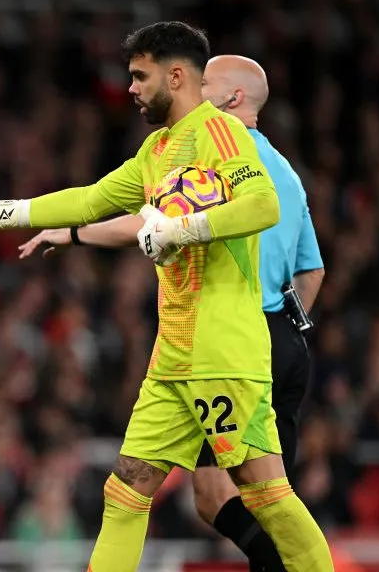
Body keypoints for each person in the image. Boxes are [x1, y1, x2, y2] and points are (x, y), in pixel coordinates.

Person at [0, 21, 334, 572]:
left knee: (263, 492)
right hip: (175, 354)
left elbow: (262, 206)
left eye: (139, 76)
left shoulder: (220, 133)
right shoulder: (159, 148)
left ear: (176, 75)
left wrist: (182, 230)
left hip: (224, 350)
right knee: (128, 487)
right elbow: (91, 201)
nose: (130, 88)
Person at [17, 54, 326, 571]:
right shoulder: (288, 175)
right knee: (227, 492)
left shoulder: (212, 152)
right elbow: (312, 272)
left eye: (205, 85)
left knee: (256, 492)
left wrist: (74, 233)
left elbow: (145, 221)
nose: (194, 93)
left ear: (231, 99)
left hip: (227, 338)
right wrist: (284, 340)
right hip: (278, 336)